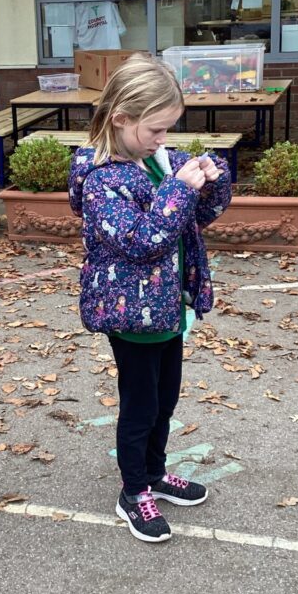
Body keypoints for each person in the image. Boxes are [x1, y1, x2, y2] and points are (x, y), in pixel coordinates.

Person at [69, 54, 232, 543]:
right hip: (132, 315)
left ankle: (155, 473)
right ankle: (133, 491)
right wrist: (179, 192)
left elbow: (196, 217)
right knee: (140, 406)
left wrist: (213, 178)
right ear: (121, 118)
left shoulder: (159, 161)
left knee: (165, 400)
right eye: (156, 129)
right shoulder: (102, 181)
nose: (164, 139)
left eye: (168, 129)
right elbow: (143, 241)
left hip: (167, 310)